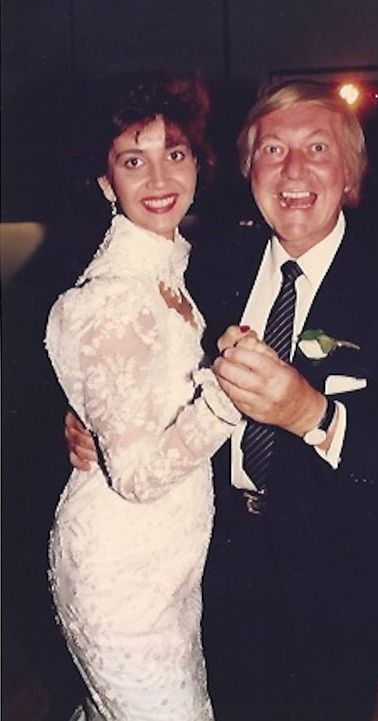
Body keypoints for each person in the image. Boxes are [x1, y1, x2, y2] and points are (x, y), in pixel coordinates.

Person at [67, 79, 378, 721]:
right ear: (249, 169)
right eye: (273, 150)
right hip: (219, 570)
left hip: (341, 584)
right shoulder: (204, 269)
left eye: (317, 148)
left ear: (351, 173)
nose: (294, 169)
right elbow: (139, 369)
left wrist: (314, 414)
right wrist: (93, 416)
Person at [44, 71, 241, 721]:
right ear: (106, 181)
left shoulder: (166, 268)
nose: (159, 178)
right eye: (135, 159)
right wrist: (225, 395)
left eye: (173, 153)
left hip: (165, 565)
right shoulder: (110, 297)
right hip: (124, 576)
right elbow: (133, 474)